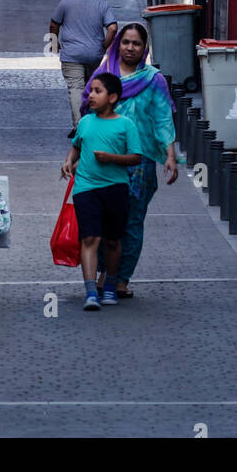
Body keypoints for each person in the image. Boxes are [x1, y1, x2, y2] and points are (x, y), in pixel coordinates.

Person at [83, 23, 178, 298]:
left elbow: (162, 119)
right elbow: (87, 110)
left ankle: (122, 278)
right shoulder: (103, 75)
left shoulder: (153, 79)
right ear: (117, 44)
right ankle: (103, 273)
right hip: (102, 160)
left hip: (140, 162)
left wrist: (170, 155)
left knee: (131, 221)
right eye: (125, 42)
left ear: (144, 48)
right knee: (102, 219)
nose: (130, 48)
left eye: (136, 43)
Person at [61, 72, 141, 310]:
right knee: (90, 237)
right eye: (90, 91)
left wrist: (111, 158)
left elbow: (136, 157)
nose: (91, 96)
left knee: (113, 241)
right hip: (85, 187)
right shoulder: (85, 122)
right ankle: (90, 291)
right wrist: (68, 161)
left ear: (113, 97)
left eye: (97, 91)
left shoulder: (126, 125)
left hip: (116, 188)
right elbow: (76, 146)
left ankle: (110, 286)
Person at [49, 0, 117, 133]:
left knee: (76, 87)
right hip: (94, 54)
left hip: (72, 54)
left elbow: (54, 24)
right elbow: (113, 27)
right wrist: (104, 46)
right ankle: (94, 121)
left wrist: (53, 43)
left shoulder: (67, 0)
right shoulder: (102, 5)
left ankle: (80, 126)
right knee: (91, 87)